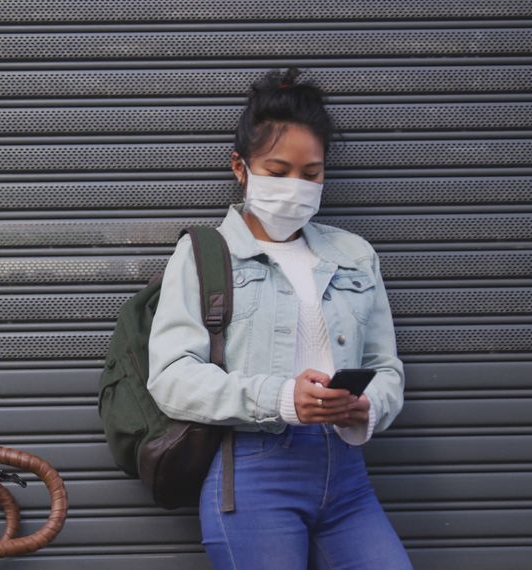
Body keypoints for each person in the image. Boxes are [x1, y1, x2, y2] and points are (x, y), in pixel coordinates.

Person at [145, 66, 412, 569]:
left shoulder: (355, 255)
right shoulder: (205, 254)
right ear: (240, 168)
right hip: (255, 474)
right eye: (278, 170)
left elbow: (386, 366)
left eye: (311, 174)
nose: (296, 186)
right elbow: (171, 377)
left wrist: (368, 406)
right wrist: (283, 397)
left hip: (348, 476)